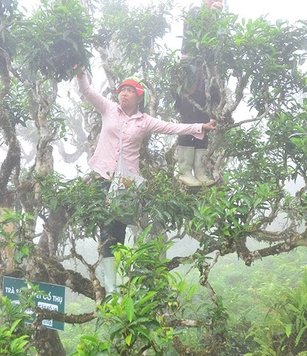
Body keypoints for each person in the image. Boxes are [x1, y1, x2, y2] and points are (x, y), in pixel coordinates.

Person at [76, 68, 216, 293]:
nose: (124, 94)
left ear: (139, 97)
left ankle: (125, 277)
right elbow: (87, 91)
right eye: (122, 90)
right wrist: (80, 72)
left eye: (130, 91)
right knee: (106, 229)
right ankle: (110, 287)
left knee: (119, 229)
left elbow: (172, 128)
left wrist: (200, 127)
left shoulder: (144, 121)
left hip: (127, 181)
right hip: (103, 176)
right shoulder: (108, 109)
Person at [174, 0, 228, 187]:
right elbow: (196, 25)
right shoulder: (195, 13)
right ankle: (185, 170)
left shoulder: (222, 24)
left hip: (210, 76)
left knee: (207, 120)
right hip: (191, 74)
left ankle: (201, 171)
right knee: (189, 119)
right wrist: (213, 14)